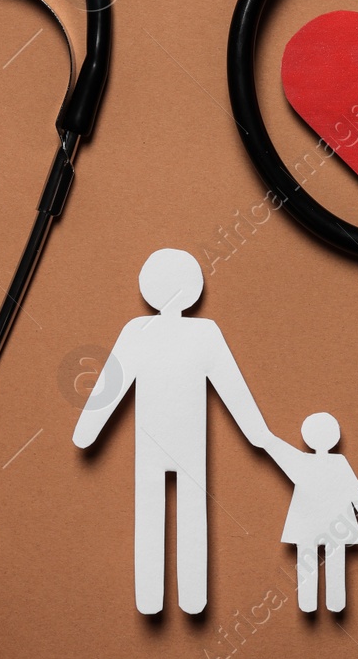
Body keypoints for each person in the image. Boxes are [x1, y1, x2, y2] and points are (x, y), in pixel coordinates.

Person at [72, 248, 275, 615]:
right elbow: (231, 387)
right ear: (194, 290)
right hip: (187, 444)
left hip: (156, 443)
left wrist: (88, 429)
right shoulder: (202, 332)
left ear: (148, 288)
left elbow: (109, 388)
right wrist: (256, 432)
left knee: (151, 514)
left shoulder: (139, 331)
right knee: (191, 514)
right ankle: (191, 597)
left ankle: (153, 598)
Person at [263, 413, 358, 613]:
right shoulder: (338, 463)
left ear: (307, 436)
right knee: (334, 561)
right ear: (335, 436)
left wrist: (266, 439)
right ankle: (334, 602)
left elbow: (278, 451)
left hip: (308, 526)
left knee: (308, 561)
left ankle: (309, 603)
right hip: (338, 527)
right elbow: (357, 494)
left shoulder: (304, 462)